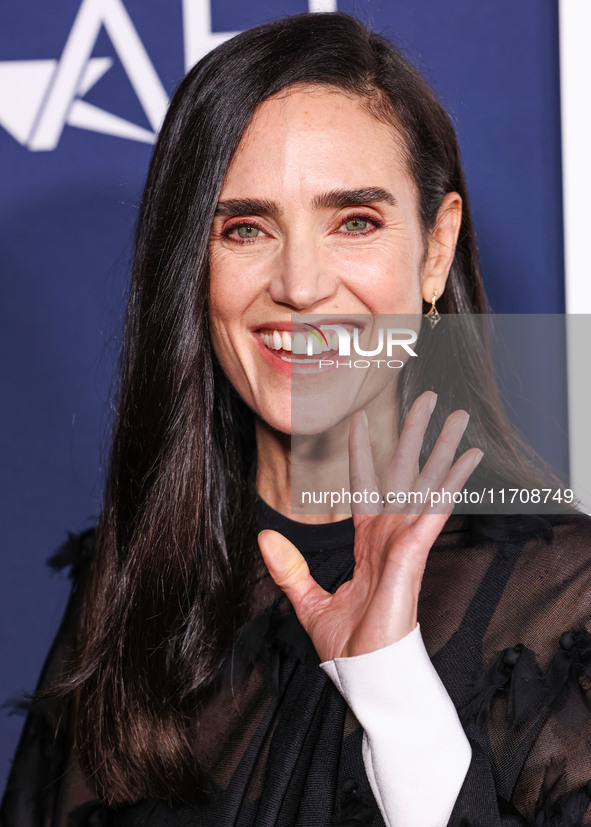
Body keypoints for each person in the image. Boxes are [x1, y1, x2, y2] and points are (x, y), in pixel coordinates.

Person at [2, 12, 591, 827]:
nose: (301, 285)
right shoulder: (127, 580)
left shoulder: (563, 595)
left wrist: (392, 688)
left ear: (434, 248)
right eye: (246, 228)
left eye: (354, 221)